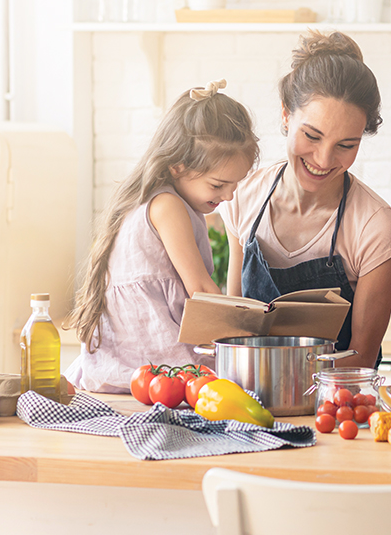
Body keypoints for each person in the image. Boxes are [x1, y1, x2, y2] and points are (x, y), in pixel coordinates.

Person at [221, 31, 391, 369]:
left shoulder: (375, 226)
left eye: (346, 145)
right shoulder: (242, 197)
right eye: (312, 135)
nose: (323, 159)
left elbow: (361, 359)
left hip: (334, 406)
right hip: (249, 401)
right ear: (286, 115)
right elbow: (235, 329)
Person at [64, 80, 259, 393]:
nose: (229, 196)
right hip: (153, 360)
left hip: (130, 363)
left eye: (235, 186)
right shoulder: (167, 206)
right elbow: (200, 288)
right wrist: (244, 334)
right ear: (177, 167)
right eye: (218, 185)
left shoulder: (161, 199)